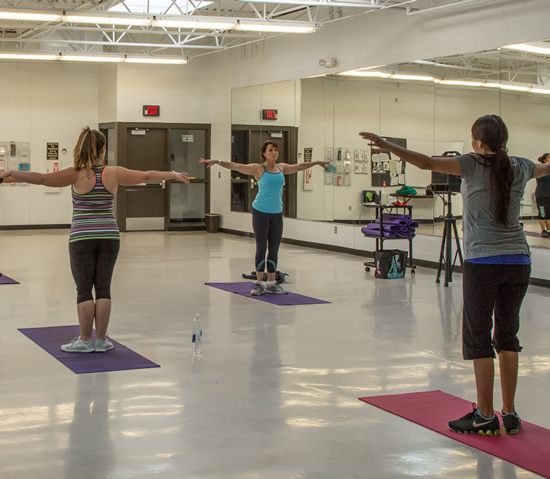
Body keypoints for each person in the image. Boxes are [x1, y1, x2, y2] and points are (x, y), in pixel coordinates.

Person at [360, 115, 550, 436]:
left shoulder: (472, 164)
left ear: (478, 141)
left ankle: (486, 416)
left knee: (478, 337)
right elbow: (546, 168)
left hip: (483, 263)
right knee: (507, 336)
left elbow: (423, 162)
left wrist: (388, 145)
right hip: (519, 261)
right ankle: (511, 413)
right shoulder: (521, 165)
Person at [0, 127, 189, 352]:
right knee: (103, 288)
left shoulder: (75, 173)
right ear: (103, 149)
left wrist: (9, 172)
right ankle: (101, 340)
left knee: (83, 289)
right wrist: (172, 174)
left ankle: (84, 340)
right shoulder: (114, 172)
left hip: (82, 238)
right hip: (109, 237)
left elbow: (42, 179)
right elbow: (147, 175)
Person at [200, 141, 330, 295]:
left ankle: (272, 283)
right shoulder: (258, 168)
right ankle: (259, 283)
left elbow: (300, 166)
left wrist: (317, 163)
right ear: (264, 153)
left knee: (274, 248)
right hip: (260, 211)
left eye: (275, 150)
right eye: (270, 150)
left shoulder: (282, 168)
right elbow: (236, 166)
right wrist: (218, 162)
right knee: (261, 247)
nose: (273, 153)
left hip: (276, 213)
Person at [535, 153, 550, 237]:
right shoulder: (541, 169)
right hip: (541, 195)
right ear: (544, 160)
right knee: (542, 213)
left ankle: (548, 230)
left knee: (549, 213)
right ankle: (543, 229)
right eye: (549, 158)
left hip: (549, 194)